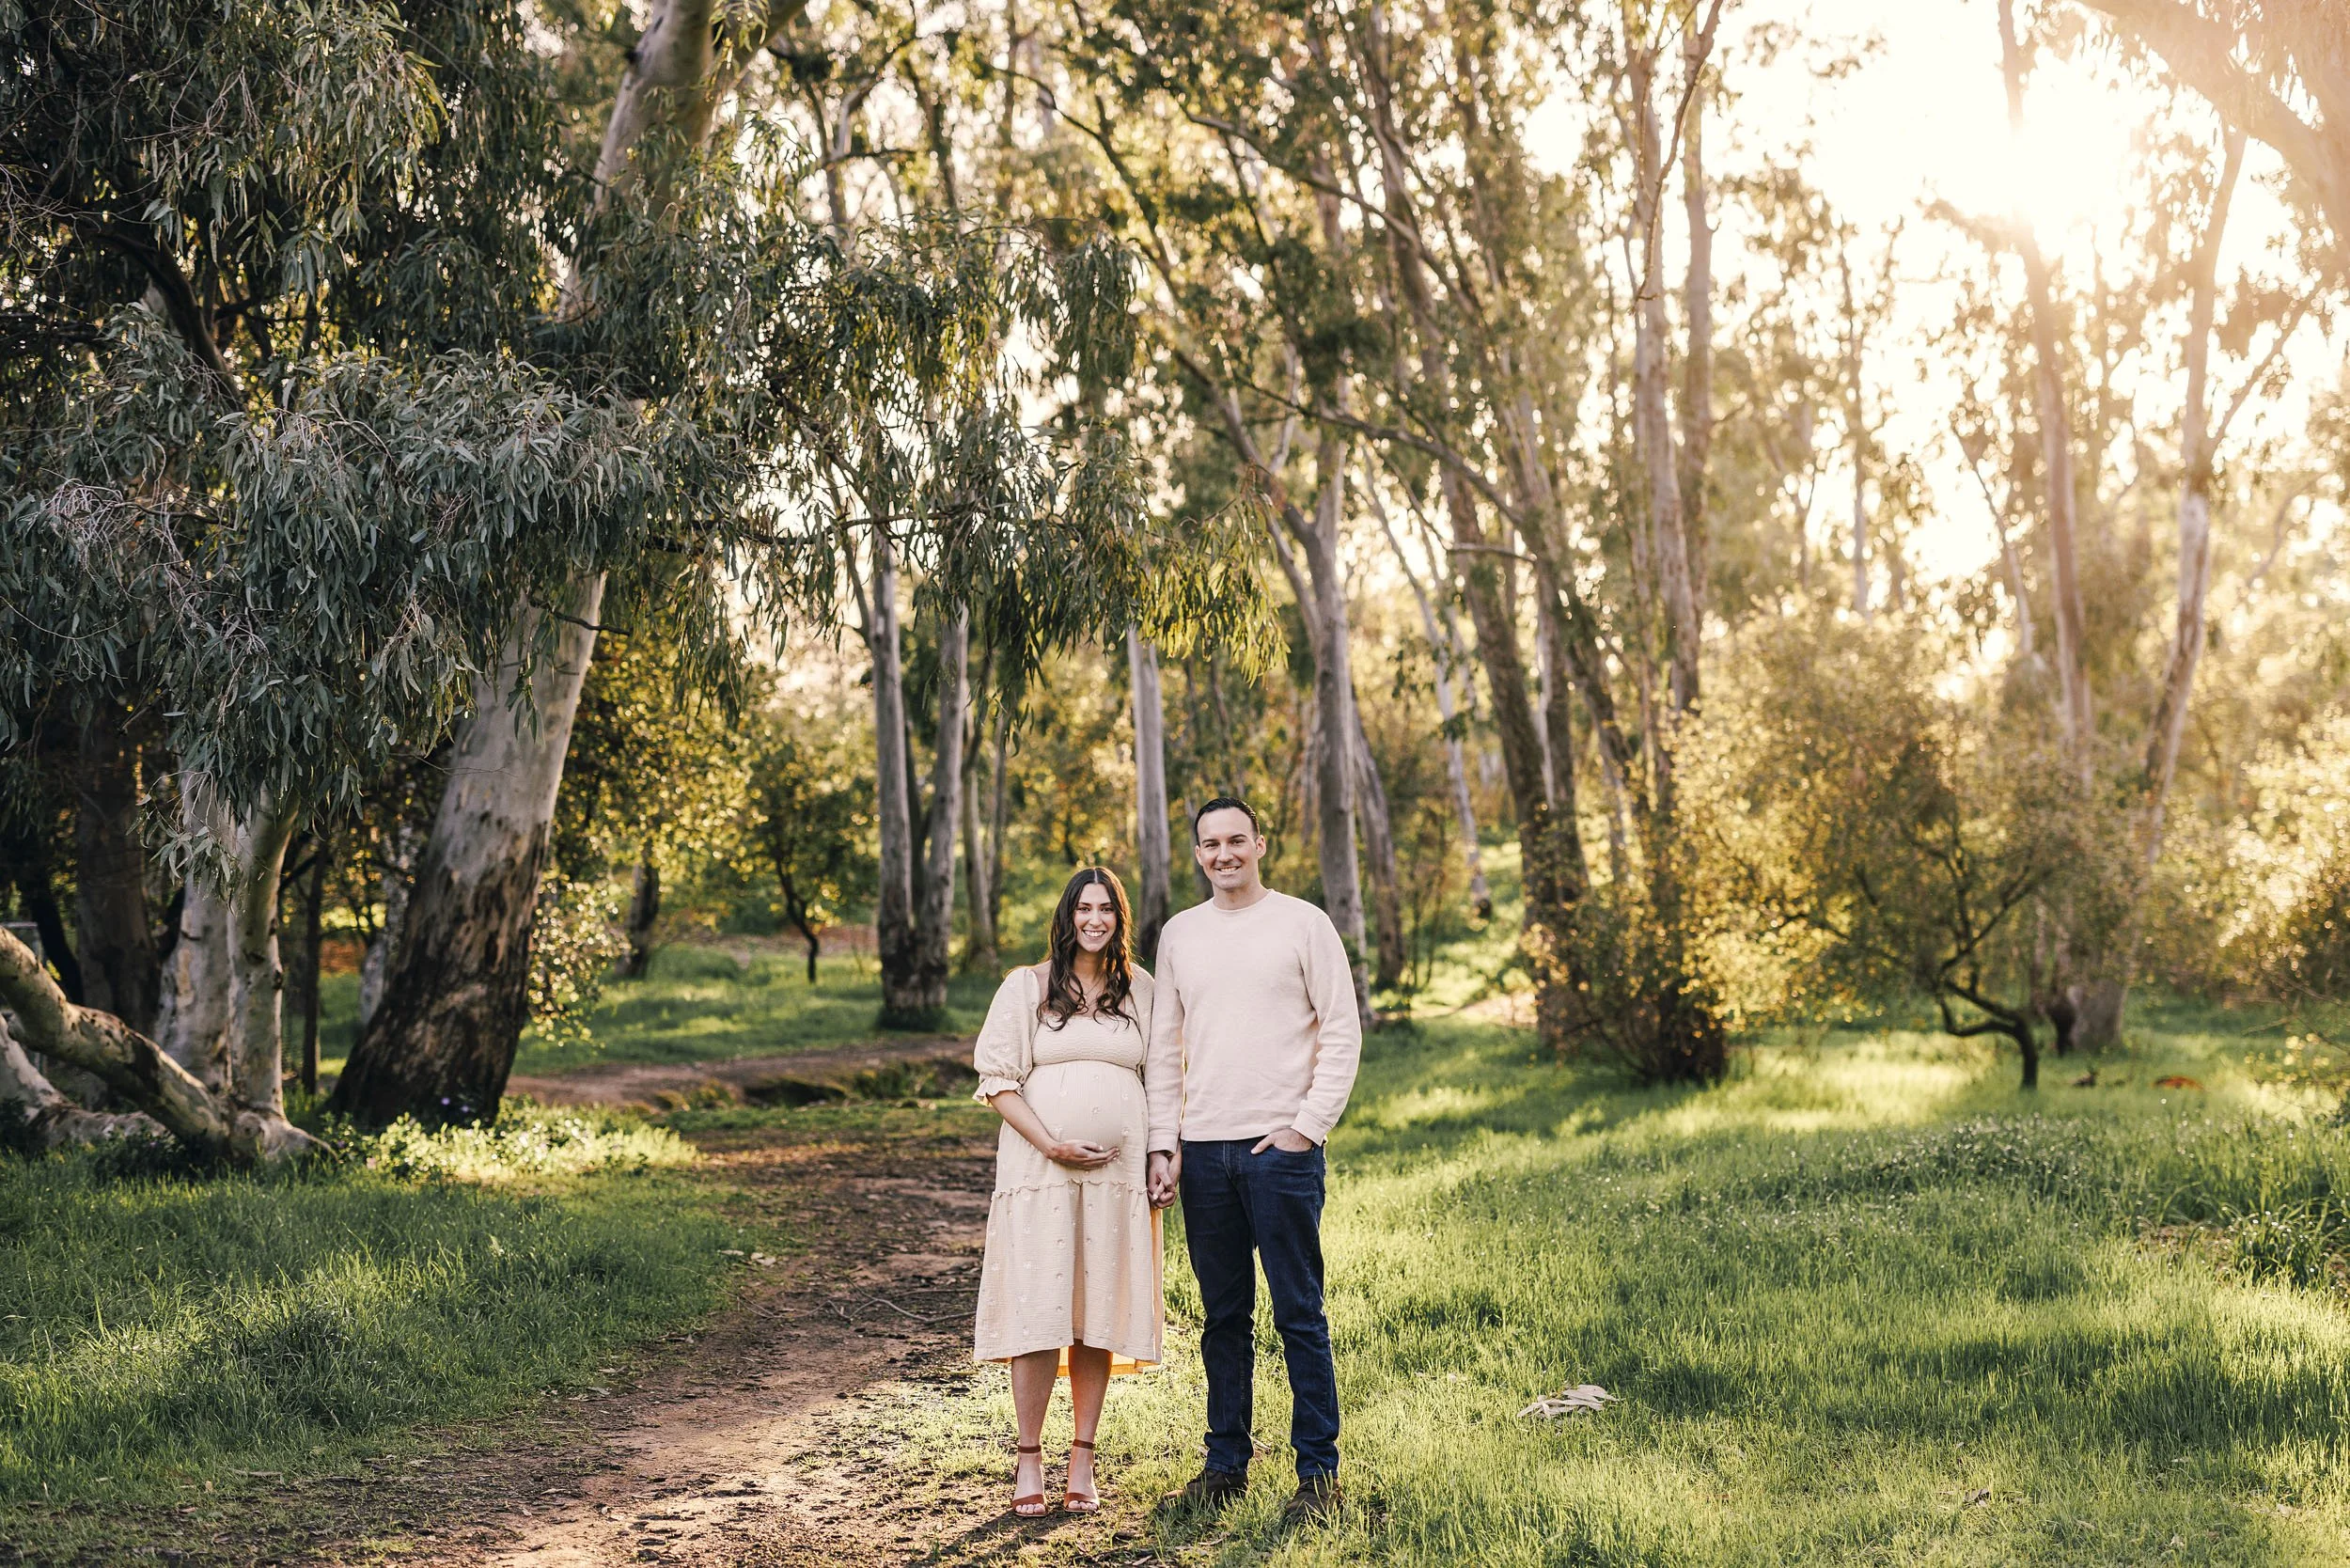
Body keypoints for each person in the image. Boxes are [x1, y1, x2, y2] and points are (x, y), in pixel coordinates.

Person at [1145, 795, 1361, 1526]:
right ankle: (1225, 1465)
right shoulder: (1179, 935)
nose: (1224, 854)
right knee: (1222, 1318)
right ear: (1198, 853)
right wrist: (1164, 1142)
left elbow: (1342, 1029)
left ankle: (1318, 1476)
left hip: (1281, 1154)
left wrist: (1307, 1127)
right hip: (1203, 1152)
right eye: (1211, 844)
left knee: (1300, 1314)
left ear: (1260, 844)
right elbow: (1163, 1049)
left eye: (1237, 840)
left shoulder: (1303, 923)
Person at [972, 867, 1166, 1518]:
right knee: (1040, 1308)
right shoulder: (1025, 986)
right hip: (1039, 1172)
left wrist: (1164, 1155)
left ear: (1120, 917)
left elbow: (1166, 1078)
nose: (1094, 919)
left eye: (1106, 908)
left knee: (1094, 1311)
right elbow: (997, 1081)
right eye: (1083, 908)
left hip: (1117, 1178)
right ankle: (1029, 1459)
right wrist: (1051, 1142)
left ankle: (1083, 1459)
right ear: (1066, 916)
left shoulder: (1141, 989)